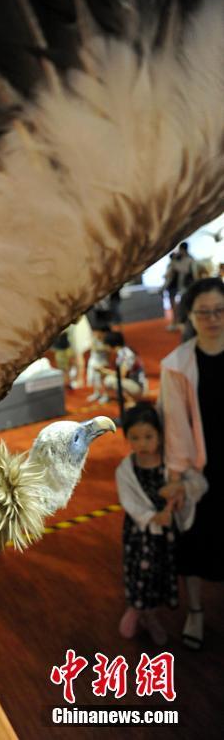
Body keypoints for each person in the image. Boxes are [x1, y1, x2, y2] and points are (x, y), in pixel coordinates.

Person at [159, 277, 224, 649]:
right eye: (204, 312)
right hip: (200, 467)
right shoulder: (177, 365)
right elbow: (176, 427)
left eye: (219, 311)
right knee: (195, 542)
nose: (213, 319)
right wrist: (180, 477)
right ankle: (196, 611)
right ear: (190, 316)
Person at [116, 403, 207, 646]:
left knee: (159, 575)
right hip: (139, 535)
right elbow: (129, 501)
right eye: (135, 438)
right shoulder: (126, 469)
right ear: (127, 439)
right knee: (138, 574)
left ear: (160, 435)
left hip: (164, 537)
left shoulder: (171, 464)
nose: (142, 444)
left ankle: (150, 616)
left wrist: (181, 489)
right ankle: (137, 609)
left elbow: (199, 484)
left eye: (148, 436)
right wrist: (151, 517)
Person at [98, 331, 147, 407]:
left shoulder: (125, 354)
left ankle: (132, 401)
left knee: (110, 380)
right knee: (110, 379)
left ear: (111, 344)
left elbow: (121, 375)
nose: (106, 348)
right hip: (136, 383)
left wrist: (105, 371)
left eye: (106, 345)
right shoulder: (124, 351)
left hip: (138, 387)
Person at [86, 324, 110, 402]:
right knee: (94, 379)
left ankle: (106, 395)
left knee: (102, 380)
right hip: (93, 361)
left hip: (103, 362)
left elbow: (109, 352)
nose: (96, 333)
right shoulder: (94, 339)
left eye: (97, 332)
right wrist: (104, 348)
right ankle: (96, 393)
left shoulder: (107, 340)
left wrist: (106, 363)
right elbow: (94, 348)